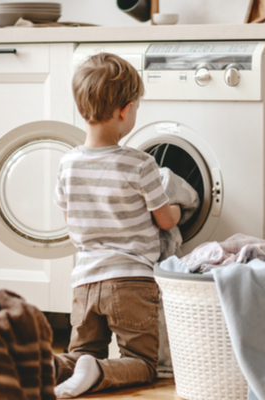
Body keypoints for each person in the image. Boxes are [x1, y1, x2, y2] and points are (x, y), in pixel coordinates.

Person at [52, 52, 181, 398]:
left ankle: (50, 367)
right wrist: (180, 208)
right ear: (125, 111)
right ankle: (98, 371)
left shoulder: (67, 164)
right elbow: (165, 219)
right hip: (131, 281)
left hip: (84, 281)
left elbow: (70, 219)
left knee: (80, 353)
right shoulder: (141, 164)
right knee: (141, 362)